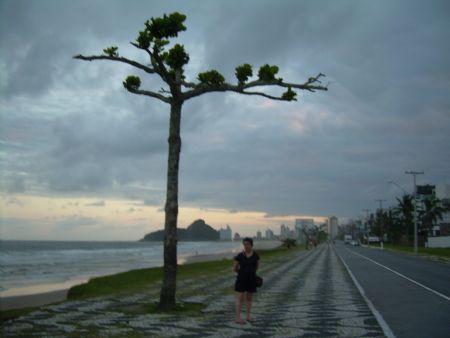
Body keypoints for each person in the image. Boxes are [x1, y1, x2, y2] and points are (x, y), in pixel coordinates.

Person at [233, 237, 259, 324]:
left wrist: (251, 273)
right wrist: (241, 273)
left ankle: (248, 317)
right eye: (244, 244)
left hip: (251, 279)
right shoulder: (239, 256)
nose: (246, 246)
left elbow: (257, 267)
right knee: (240, 298)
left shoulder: (255, 255)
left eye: (247, 244)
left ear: (251, 245)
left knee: (249, 298)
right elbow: (235, 268)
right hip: (241, 279)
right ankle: (237, 318)